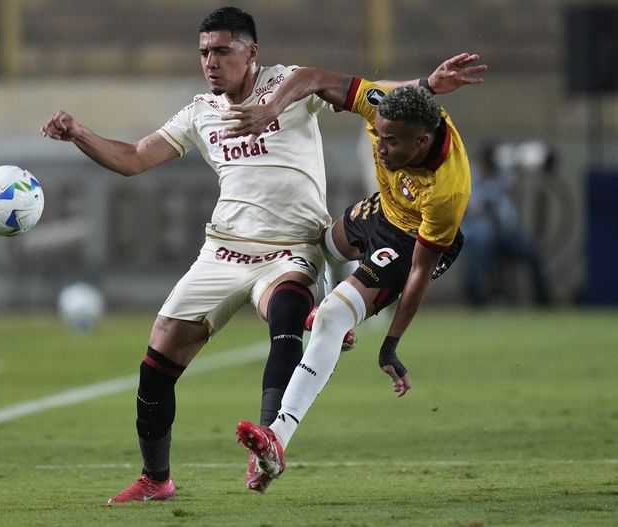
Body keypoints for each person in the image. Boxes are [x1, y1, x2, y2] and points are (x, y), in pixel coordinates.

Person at [42, 6, 481, 502]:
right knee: (157, 358)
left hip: (292, 247)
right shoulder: (199, 112)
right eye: (204, 53)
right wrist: (79, 134)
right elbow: (135, 158)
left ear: (251, 52)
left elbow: (354, 89)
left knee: (289, 307)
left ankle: (269, 441)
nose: (211, 62)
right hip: (223, 251)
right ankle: (155, 479)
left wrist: (424, 85)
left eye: (222, 51)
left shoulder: (286, 85)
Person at [227, 58, 484, 490]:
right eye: (378, 135)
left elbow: (419, 272)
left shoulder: (447, 191)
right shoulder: (383, 104)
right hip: (385, 209)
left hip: (411, 240)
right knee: (321, 244)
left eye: (392, 142)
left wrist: (391, 345)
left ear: (422, 142)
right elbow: (311, 77)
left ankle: (278, 438)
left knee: (330, 315)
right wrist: (270, 110)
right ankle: (339, 325)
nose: (380, 147)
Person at [462, 143, 550, 306]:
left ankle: (543, 300)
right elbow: (464, 212)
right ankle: (476, 298)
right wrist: (483, 208)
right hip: (477, 235)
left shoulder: (504, 178)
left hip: (504, 234)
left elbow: (512, 204)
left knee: (533, 252)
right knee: (481, 249)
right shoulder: (470, 178)